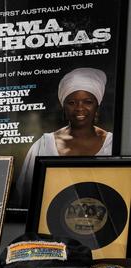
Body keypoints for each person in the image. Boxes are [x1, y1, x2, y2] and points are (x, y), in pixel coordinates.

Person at [15, 67, 111, 207]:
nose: (79, 108)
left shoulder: (113, 144)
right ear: (63, 106)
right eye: (71, 102)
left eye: (88, 102)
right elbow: (26, 196)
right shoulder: (43, 145)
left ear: (98, 105)